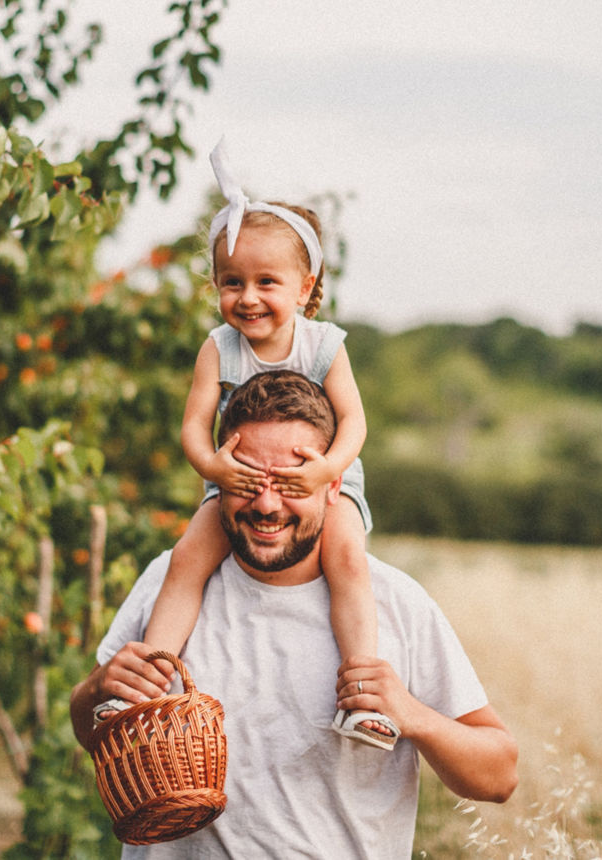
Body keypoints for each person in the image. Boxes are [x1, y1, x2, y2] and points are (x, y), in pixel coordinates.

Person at [71, 370, 518, 857]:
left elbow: (500, 776)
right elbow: (88, 729)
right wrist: (97, 690)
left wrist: (415, 716)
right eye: (246, 480)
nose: (266, 504)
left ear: (333, 484)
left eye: (289, 484)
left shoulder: (396, 602)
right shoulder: (169, 580)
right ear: (217, 478)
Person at [113, 139, 392, 748]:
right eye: (232, 282)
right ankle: (146, 690)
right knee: (187, 560)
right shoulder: (220, 347)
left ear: (305, 288)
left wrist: (326, 471)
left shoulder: (324, 344)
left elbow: (354, 421)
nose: (248, 297)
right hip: (234, 481)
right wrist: (215, 469)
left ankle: (362, 696)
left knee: (347, 560)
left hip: (320, 480)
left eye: (267, 281)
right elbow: (194, 425)